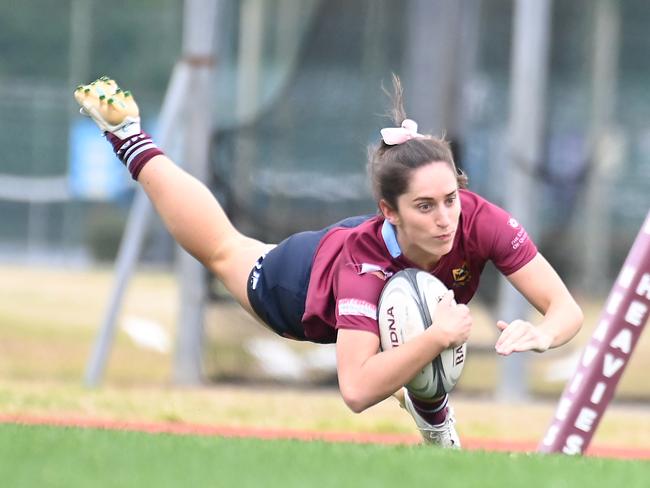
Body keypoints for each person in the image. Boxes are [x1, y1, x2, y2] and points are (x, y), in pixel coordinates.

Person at [74, 75, 583, 449]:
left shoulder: (478, 219)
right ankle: (130, 139)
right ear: (390, 211)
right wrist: (436, 337)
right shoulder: (364, 266)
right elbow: (357, 390)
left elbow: (565, 309)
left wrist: (543, 334)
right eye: (425, 207)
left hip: (373, 277)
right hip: (295, 286)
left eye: (450, 198)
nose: (445, 218)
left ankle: (431, 412)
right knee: (223, 248)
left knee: (418, 324)